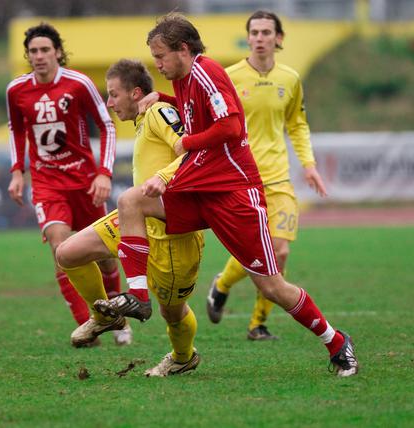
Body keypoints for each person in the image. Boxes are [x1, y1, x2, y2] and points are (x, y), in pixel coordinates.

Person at [94, 13, 358, 377]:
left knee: (271, 284)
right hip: (201, 186)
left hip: (234, 193)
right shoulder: (184, 77)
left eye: (161, 56)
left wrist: (186, 142)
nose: (156, 64)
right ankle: (138, 296)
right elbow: (198, 111)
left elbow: (231, 126)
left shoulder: (206, 72)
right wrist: (164, 95)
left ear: (183, 50)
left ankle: (336, 340)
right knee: (131, 201)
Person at [56, 59, 204, 375]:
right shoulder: (141, 120)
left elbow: (191, 153)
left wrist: (163, 180)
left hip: (171, 231)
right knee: (68, 253)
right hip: (135, 217)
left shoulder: (159, 113)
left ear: (136, 93)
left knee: (172, 312)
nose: (109, 103)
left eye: (113, 95)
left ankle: (183, 356)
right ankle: (108, 316)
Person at [206, 10, 329, 340]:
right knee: (256, 251)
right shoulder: (229, 77)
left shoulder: (290, 79)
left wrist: (309, 165)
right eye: (255, 32)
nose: (260, 38)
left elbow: (297, 125)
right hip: (242, 179)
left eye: (266, 32)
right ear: (248, 38)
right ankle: (222, 285)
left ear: (279, 39)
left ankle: (256, 323)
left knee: (280, 250)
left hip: (277, 178)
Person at [6, 23, 125, 344]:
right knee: (62, 249)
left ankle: (116, 310)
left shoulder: (79, 83)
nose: (39, 56)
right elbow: (17, 130)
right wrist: (18, 170)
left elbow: (106, 126)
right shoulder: (16, 90)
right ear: (28, 56)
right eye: (33, 51)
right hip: (47, 182)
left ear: (58, 52)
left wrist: (104, 173)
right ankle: (89, 326)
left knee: (104, 255)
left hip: (85, 180)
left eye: (45, 50)